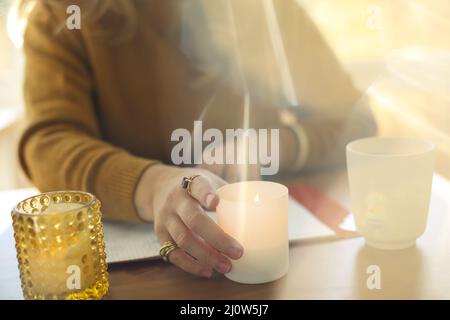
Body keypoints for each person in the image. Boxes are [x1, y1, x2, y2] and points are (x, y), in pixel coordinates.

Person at [18, 0, 376, 278]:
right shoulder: (65, 13)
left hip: (272, 264)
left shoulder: (269, 11)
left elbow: (355, 118)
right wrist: (152, 186)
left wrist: (278, 144)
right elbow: (49, 142)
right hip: (139, 276)